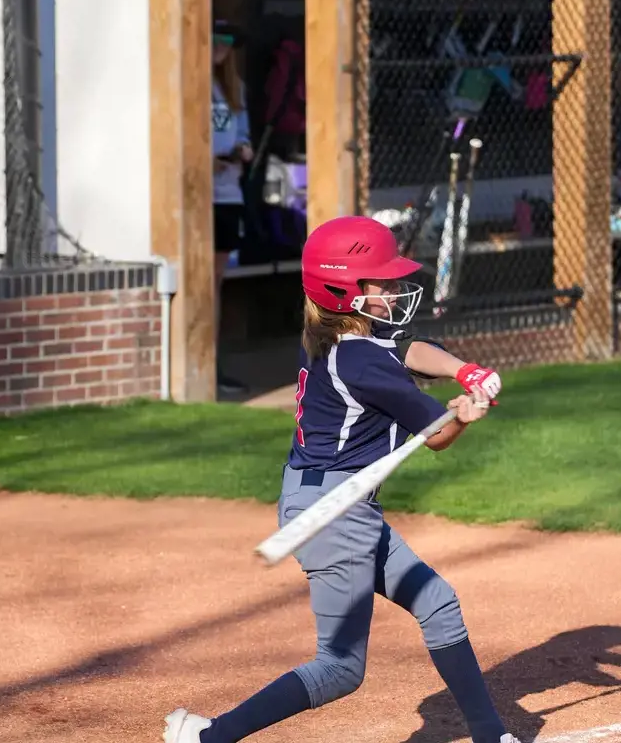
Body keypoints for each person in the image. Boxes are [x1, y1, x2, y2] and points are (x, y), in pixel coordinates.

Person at [163, 216, 518, 743]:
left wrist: (465, 372)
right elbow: (438, 436)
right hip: (335, 513)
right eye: (382, 282)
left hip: (330, 499)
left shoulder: (335, 338)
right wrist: (464, 413)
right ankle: (208, 738)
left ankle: (492, 735)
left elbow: (409, 348)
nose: (394, 290)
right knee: (340, 666)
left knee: (437, 602)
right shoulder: (360, 362)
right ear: (344, 291)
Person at [212, 19, 252, 393]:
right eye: (215, 38)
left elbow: (243, 135)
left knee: (217, 282)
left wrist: (241, 150)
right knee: (205, 282)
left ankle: (215, 363)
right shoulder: (194, 82)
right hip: (201, 195)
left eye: (228, 40)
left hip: (227, 193)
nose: (221, 46)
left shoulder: (234, 87)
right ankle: (205, 364)